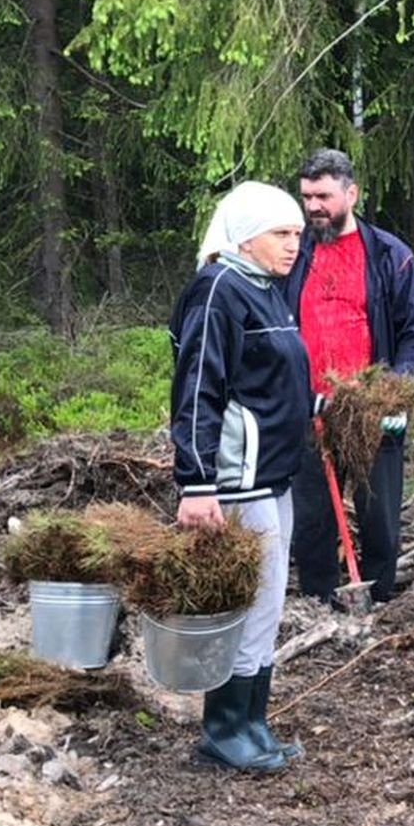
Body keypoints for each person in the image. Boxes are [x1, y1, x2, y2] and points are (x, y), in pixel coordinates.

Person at [170, 182, 314, 772]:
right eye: (282, 234)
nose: (293, 246)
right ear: (245, 236)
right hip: (236, 477)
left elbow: (268, 377)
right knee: (248, 601)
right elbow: (198, 388)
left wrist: (317, 406)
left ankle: (253, 720)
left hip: (275, 473)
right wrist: (197, 482)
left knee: (268, 602)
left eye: (298, 235)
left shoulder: (265, 290)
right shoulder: (218, 292)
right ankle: (225, 727)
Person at [286, 148, 414, 607]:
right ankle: (317, 599)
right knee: (311, 515)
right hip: (308, 407)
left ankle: (382, 598)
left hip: (374, 408)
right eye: (307, 196)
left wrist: (388, 394)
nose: (314, 207)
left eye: (324, 196)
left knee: (380, 514)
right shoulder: (293, 254)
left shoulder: (389, 256)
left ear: (351, 193)